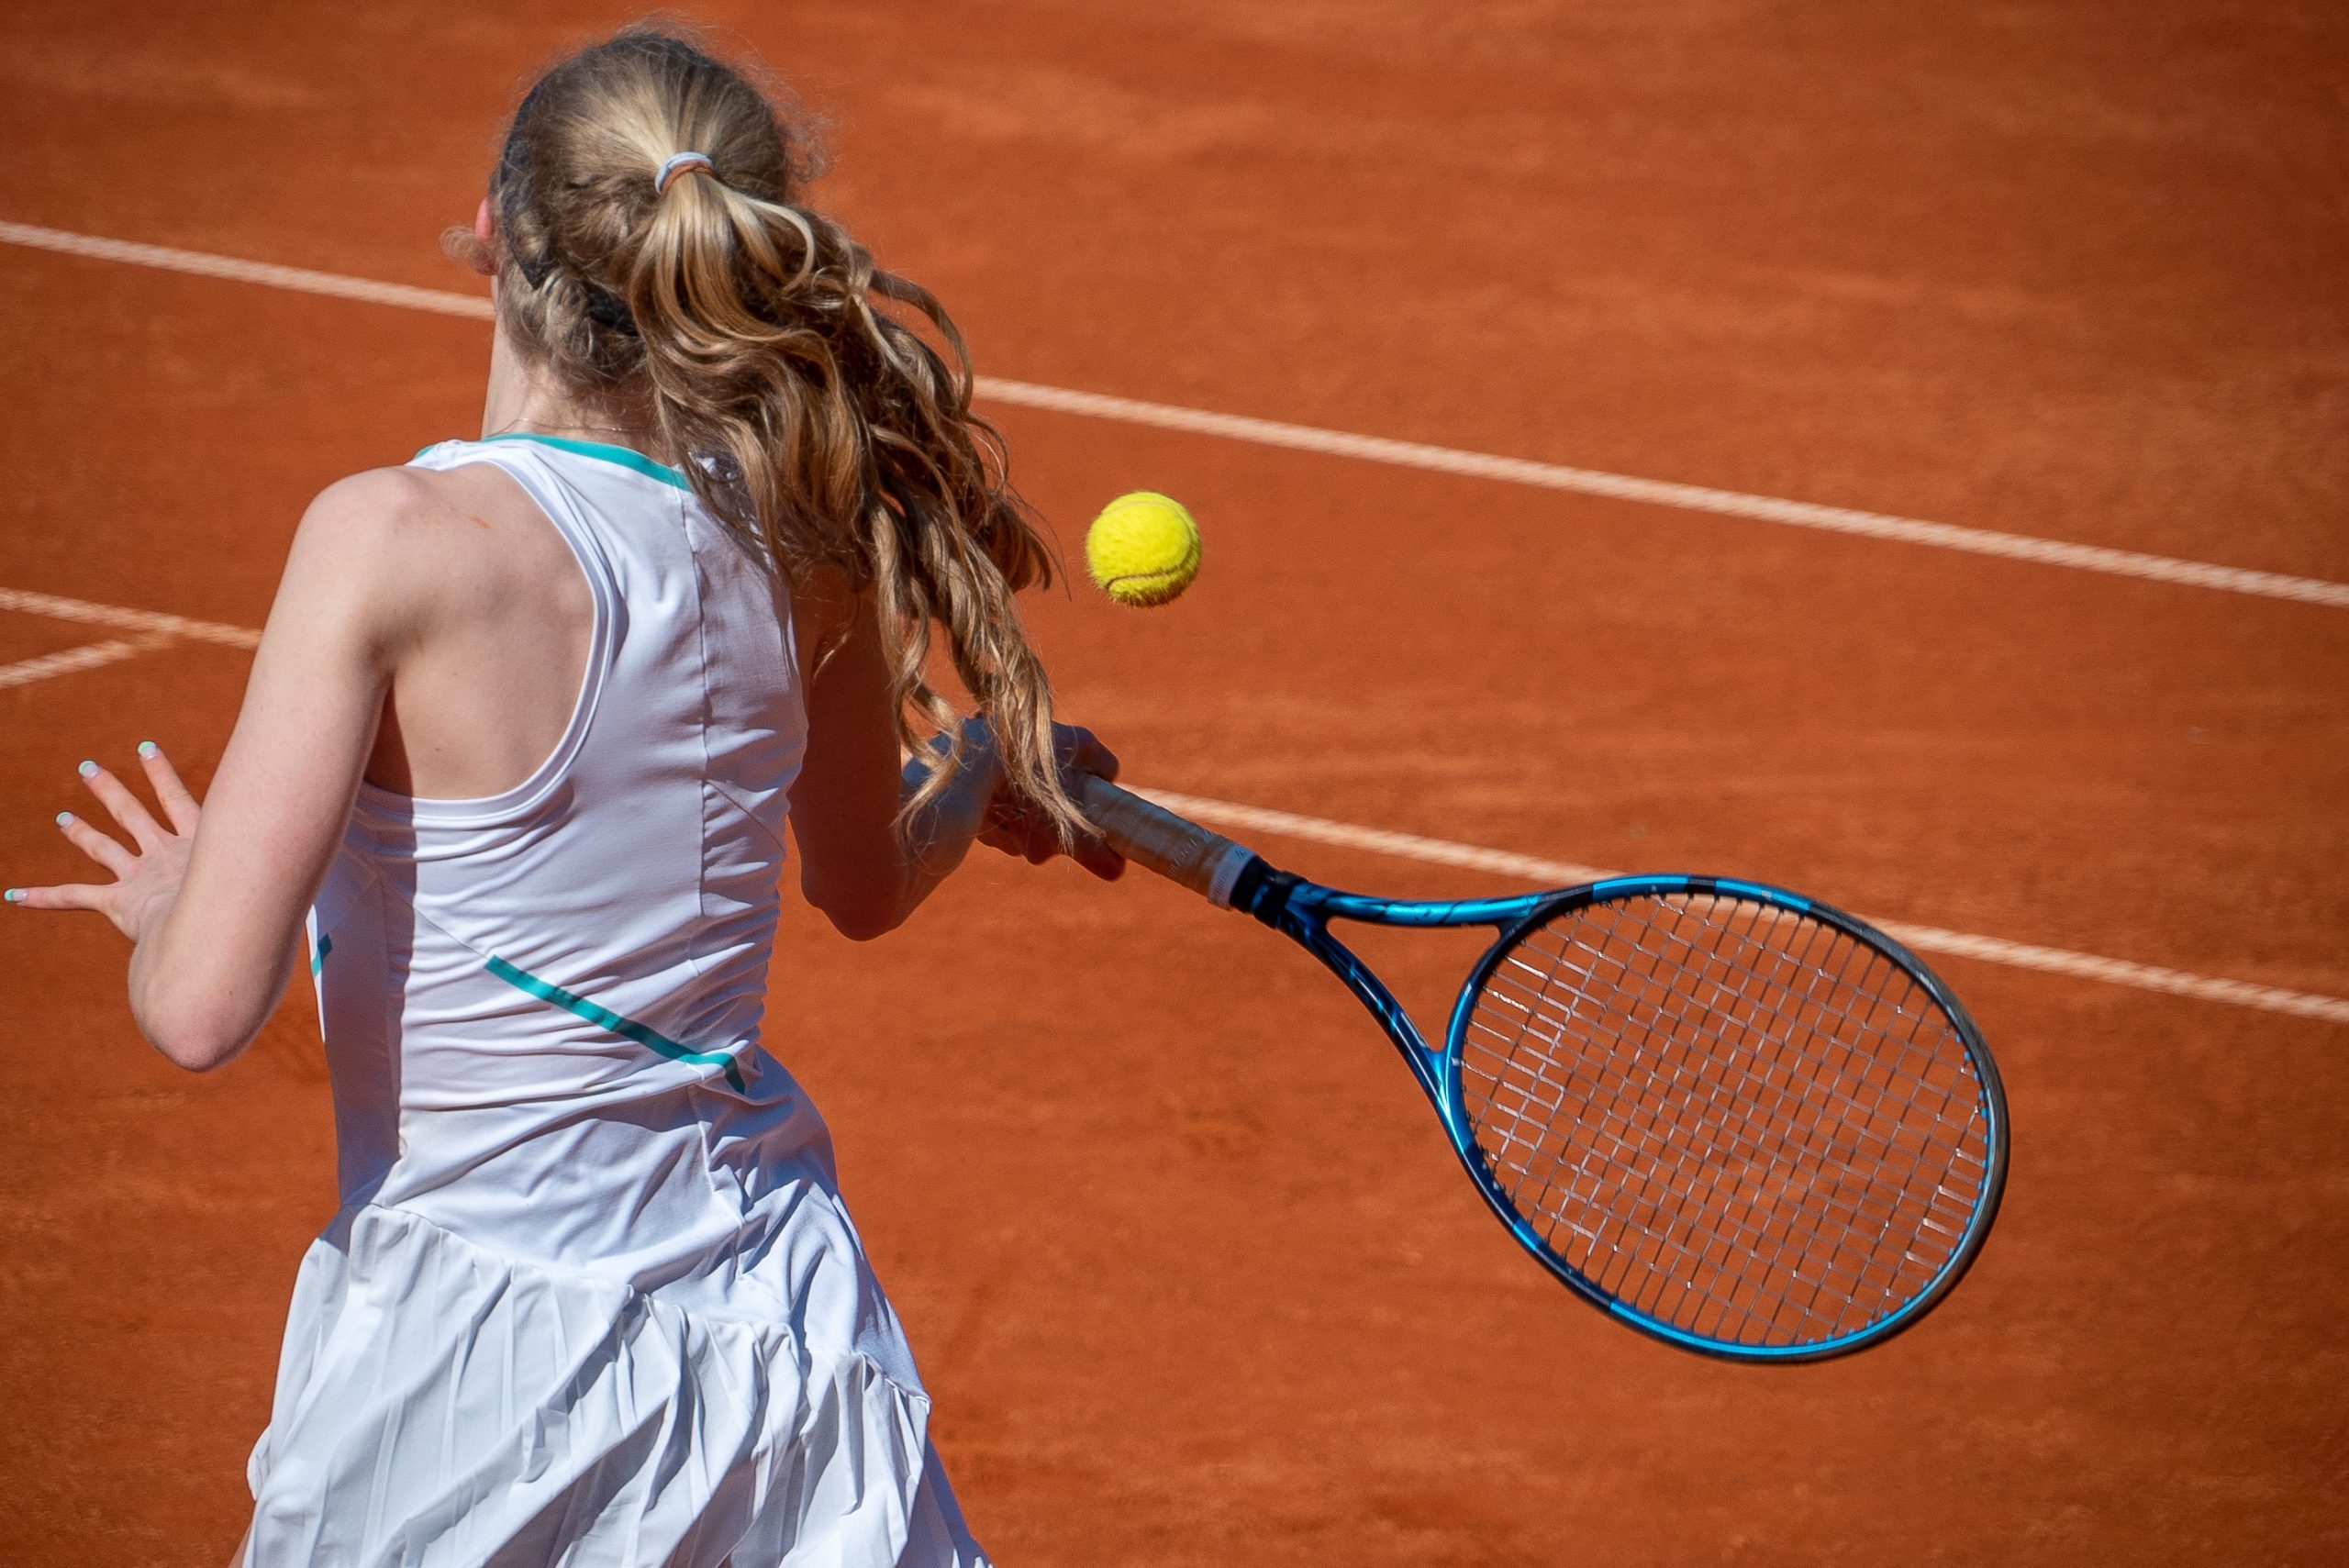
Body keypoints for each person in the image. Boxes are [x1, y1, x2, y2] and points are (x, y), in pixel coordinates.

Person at [6, 24, 1122, 1565]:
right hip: (781, 1355)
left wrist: (168, 909)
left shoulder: (389, 538)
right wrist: (985, 764)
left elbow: (199, 1009)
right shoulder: (808, 536)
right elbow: (866, 882)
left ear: (491, 233)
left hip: (467, 1392)